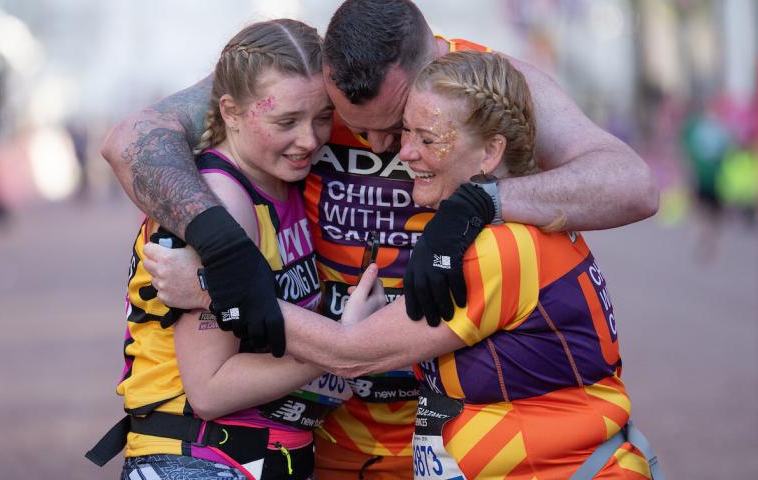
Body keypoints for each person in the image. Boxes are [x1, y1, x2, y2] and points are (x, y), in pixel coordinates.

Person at [102, 1, 659, 477]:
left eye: (400, 128)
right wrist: (224, 251)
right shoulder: (312, 78)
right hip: (330, 433)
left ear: (431, 68)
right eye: (347, 122)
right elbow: (133, 139)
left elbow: (631, 184)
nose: (386, 146)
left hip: (450, 427)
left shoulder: (480, 82)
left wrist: (481, 203)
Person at [86, 19, 353, 480]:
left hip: (255, 457)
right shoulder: (224, 196)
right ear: (230, 110)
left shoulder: (280, 178)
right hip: (198, 460)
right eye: (286, 121)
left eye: (323, 116)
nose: (310, 139)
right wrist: (341, 350)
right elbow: (210, 388)